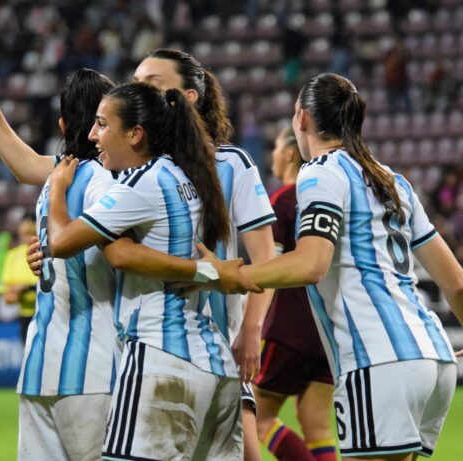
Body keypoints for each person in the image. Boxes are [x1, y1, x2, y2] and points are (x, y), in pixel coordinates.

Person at [0, 44, 256, 461]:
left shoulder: (93, 180)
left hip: (89, 361)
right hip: (123, 361)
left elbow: (100, 245)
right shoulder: (136, 176)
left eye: (103, 124)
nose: (96, 133)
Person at [240, 73, 461, 461]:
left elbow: (312, 264)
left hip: (378, 359)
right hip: (434, 358)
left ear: (302, 117)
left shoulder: (320, 171)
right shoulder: (393, 181)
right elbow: (456, 282)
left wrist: (234, 275)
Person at [47, 82, 242, 460]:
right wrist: (205, 272)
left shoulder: (139, 185)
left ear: (135, 134)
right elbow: (123, 252)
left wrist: (58, 189)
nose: (92, 135)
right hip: (214, 362)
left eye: (103, 125)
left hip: (161, 356)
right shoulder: (185, 175)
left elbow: (61, 242)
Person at [133, 48, 277, 461]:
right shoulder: (133, 170)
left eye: (152, 85)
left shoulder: (231, 164)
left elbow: (266, 260)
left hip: (220, 345)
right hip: (152, 345)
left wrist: (251, 329)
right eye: (136, 85)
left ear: (189, 96)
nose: (140, 93)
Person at [253, 127, 336, 461]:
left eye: (275, 148)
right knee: (317, 426)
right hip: (328, 332)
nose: (272, 155)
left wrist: (252, 325)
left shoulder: (283, 201)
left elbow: (269, 269)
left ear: (289, 153)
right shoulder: (326, 198)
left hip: (289, 330)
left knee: (258, 418)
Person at [0, 218, 39, 342]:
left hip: (48, 313)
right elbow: (8, 297)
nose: (25, 238)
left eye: (30, 233)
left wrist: (25, 287)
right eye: (22, 234)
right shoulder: (12, 256)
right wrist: (19, 290)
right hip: (26, 315)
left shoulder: (47, 252)